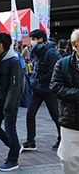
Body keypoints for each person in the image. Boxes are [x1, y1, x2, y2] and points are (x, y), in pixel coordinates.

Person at [0, 33, 24, 172]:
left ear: (0, 45)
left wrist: (9, 107)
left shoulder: (13, 61)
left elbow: (15, 87)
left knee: (10, 130)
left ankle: (13, 160)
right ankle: (16, 147)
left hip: (10, 102)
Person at [23, 29, 61, 151]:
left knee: (55, 116)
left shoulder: (50, 53)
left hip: (49, 90)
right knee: (30, 114)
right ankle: (30, 142)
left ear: (40, 39)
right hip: (38, 90)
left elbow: (52, 73)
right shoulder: (36, 52)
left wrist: (38, 80)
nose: (31, 42)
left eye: (33, 39)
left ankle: (62, 140)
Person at [50, 29, 79, 174]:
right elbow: (55, 88)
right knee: (68, 159)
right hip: (71, 120)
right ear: (74, 44)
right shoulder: (63, 64)